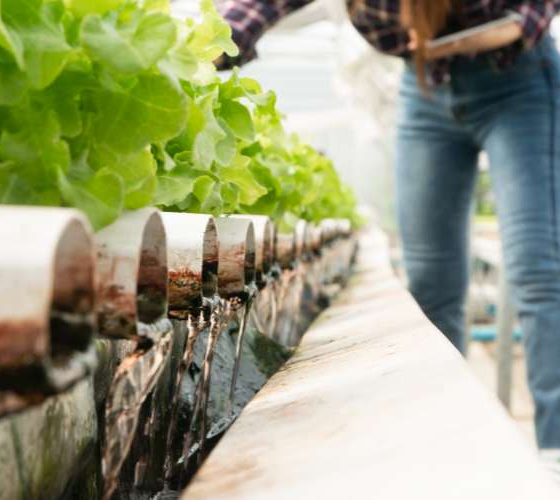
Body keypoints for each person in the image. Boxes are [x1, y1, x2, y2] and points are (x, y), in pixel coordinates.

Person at [217, 0, 560, 450]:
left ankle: (555, 453)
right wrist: (214, 45)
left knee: (536, 271)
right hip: (426, 91)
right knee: (430, 284)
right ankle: (442, 448)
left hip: (517, 84)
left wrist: (502, 29)